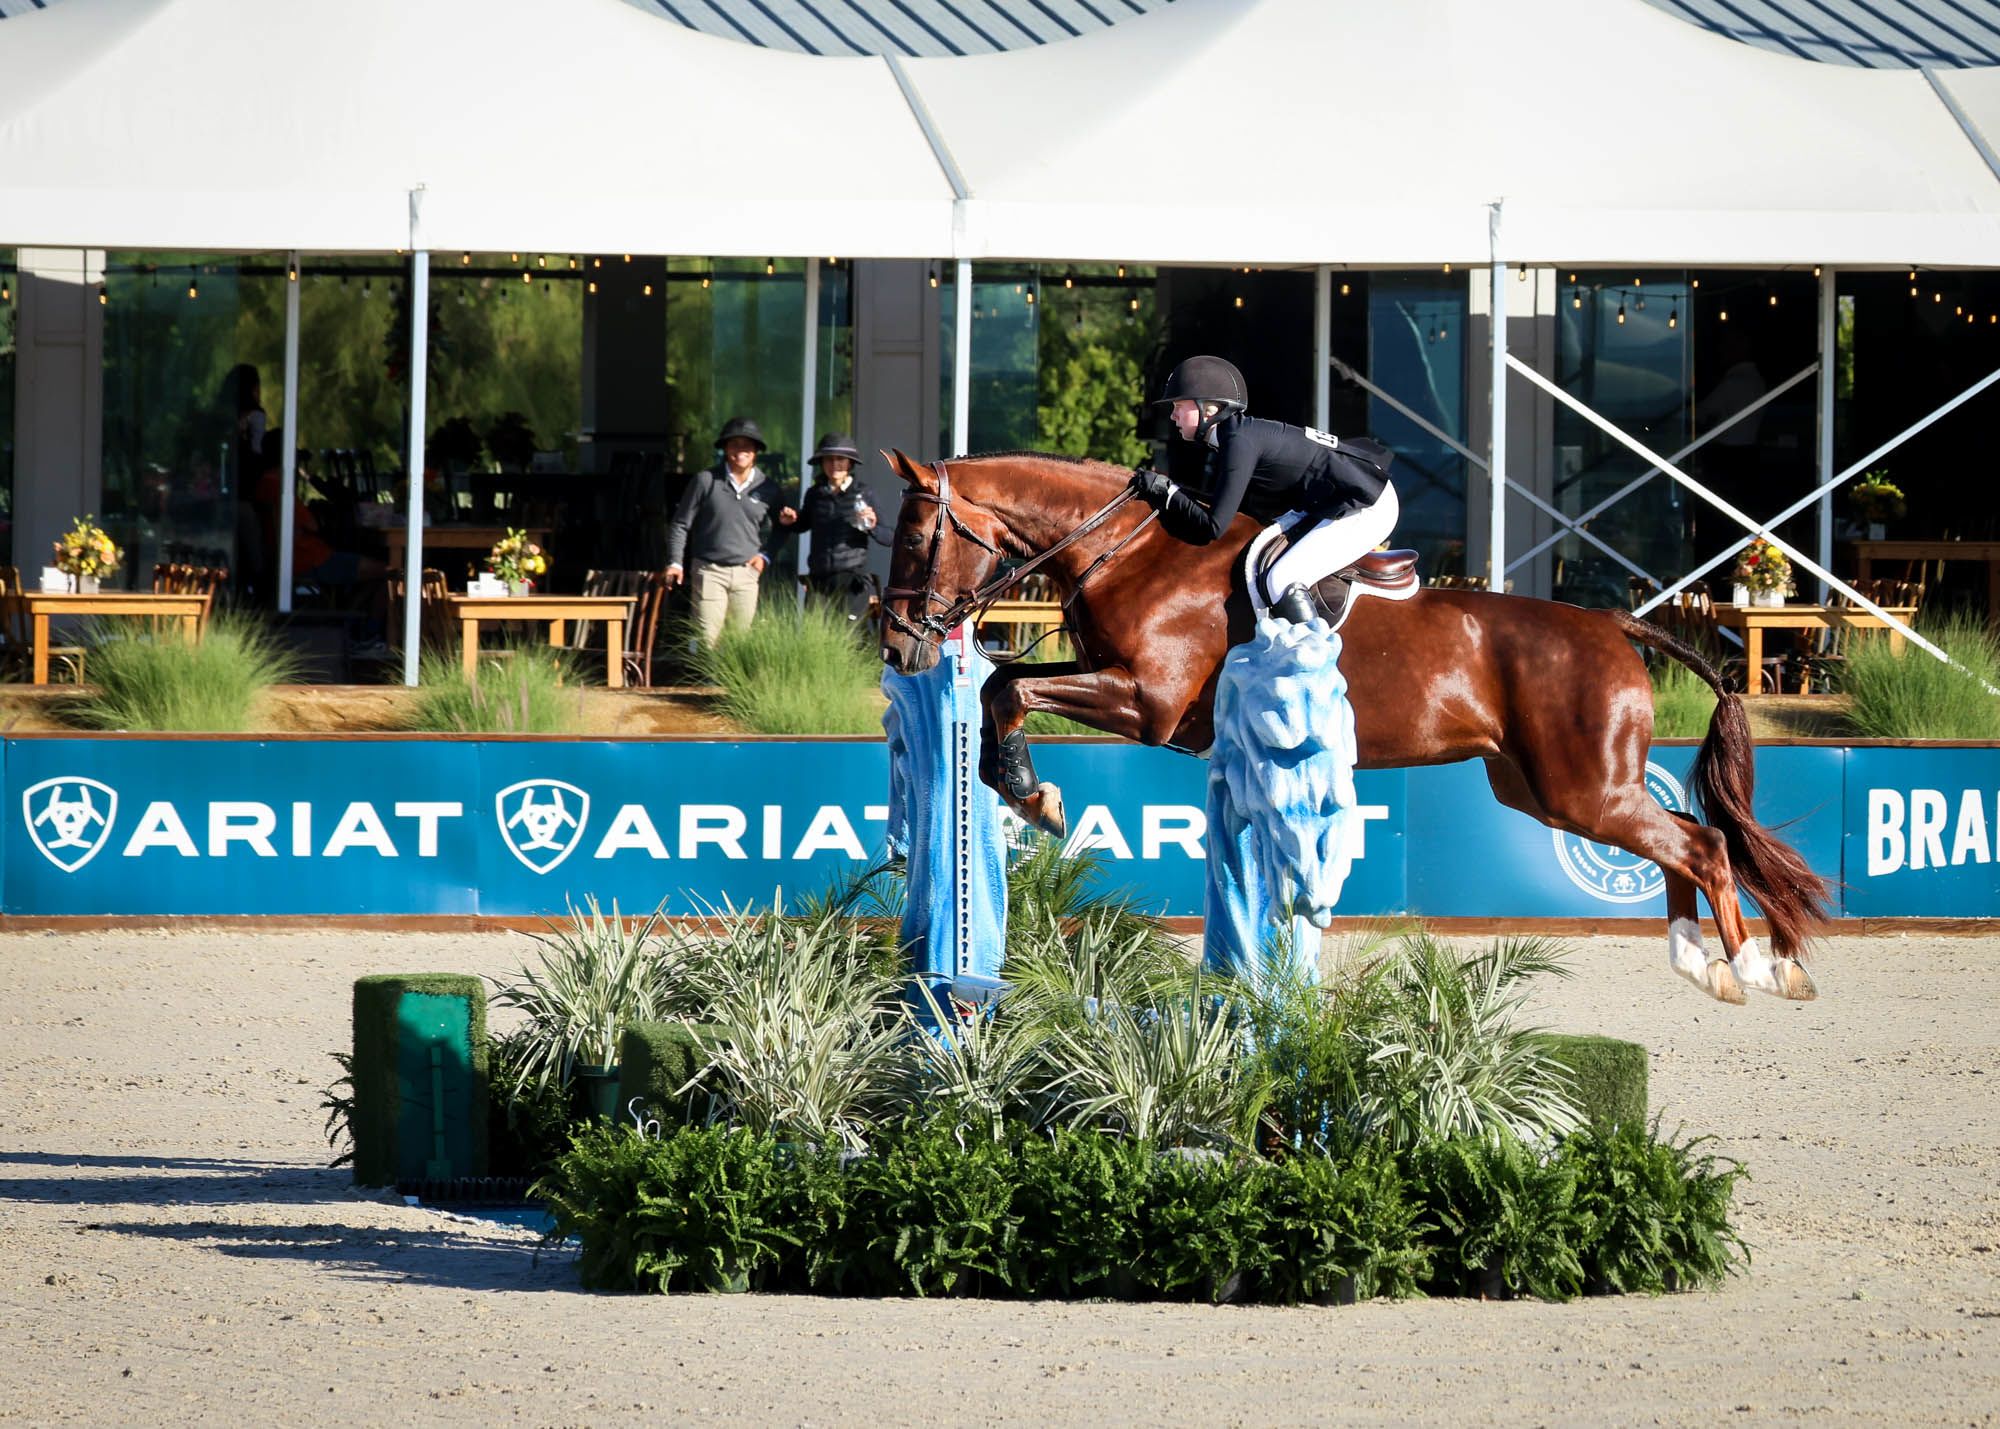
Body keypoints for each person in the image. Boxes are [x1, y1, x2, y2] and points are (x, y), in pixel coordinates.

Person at [1128, 355, 1399, 623]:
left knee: (1281, 579)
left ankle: (1313, 651)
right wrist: (1169, 490)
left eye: (1178, 406)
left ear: (1209, 409)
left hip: (1366, 505)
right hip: (1336, 501)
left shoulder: (1239, 442)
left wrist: (1168, 492)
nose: (1173, 415)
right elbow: (1225, 507)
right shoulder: (1236, 436)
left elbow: (1214, 526)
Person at [664, 416, 792, 645]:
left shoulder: (768, 488)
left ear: (756, 451)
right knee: (706, 641)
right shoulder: (705, 481)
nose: (740, 450)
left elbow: (783, 528)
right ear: (724, 448)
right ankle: (704, 670)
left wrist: (766, 556)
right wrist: (675, 562)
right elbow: (680, 524)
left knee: (739, 643)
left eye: (747, 445)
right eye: (734, 444)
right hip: (709, 571)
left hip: (747, 573)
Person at [789, 432, 888, 617]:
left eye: (840, 459)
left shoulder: (864, 493)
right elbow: (802, 525)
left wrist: (872, 526)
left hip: (852, 581)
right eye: (829, 459)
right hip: (819, 581)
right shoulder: (814, 494)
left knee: (850, 633)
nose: (834, 464)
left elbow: (889, 537)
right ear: (822, 463)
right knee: (815, 633)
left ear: (850, 463)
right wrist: (790, 521)